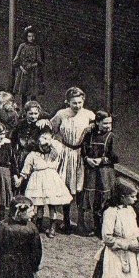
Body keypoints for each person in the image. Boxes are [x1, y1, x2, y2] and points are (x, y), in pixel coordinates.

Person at [51, 87, 97, 234]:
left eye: (79, 102)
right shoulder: (62, 114)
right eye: (74, 103)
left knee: (80, 188)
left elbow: (97, 131)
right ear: (68, 102)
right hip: (66, 153)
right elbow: (51, 129)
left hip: (80, 153)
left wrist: (92, 127)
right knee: (66, 187)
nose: (77, 106)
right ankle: (65, 221)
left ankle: (80, 222)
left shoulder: (89, 115)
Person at [18, 129, 73, 238]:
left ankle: (52, 226)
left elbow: (58, 147)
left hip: (51, 179)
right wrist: (21, 178)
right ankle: (38, 224)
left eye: (47, 138)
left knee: (52, 204)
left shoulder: (54, 152)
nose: (44, 141)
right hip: (37, 180)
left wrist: (50, 140)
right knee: (39, 204)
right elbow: (26, 167)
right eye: (42, 138)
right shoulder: (33, 154)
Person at [82, 111, 119, 237]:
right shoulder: (89, 135)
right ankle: (96, 228)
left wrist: (101, 160)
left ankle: (106, 229)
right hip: (92, 172)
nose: (108, 126)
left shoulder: (111, 137)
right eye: (105, 123)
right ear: (97, 122)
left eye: (110, 123)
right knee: (94, 200)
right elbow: (83, 151)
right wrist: (87, 159)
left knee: (105, 199)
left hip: (105, 173)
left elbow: (115, 158)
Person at [12, 27, 44, 102]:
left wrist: (32, 65)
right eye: (29, 36)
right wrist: (22, 68)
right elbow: (16, 60)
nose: (31, 38)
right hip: (23, 72)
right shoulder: (22, 46)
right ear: (26, 37)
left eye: (33, 36)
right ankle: (24, 109)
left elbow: (39, 61)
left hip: (33, 73)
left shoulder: (37, 47)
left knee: (33, 93)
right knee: (24, 92)